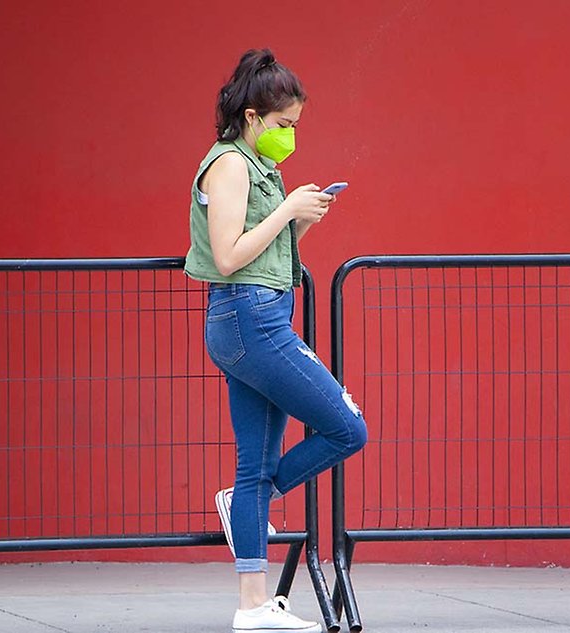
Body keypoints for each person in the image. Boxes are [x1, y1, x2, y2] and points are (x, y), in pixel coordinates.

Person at [184, 48, 368, 633]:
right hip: (251, 322)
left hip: (255, 316)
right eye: (284, 125)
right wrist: (286, 208)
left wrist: (299, 221)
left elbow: (265, 259)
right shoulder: (231, 164)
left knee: (254, 461)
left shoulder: (258, 166)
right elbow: (229, 255)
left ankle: (252, 606)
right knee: (347, 428)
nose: (290, 136)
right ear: (254, 115)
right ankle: (246, 503)